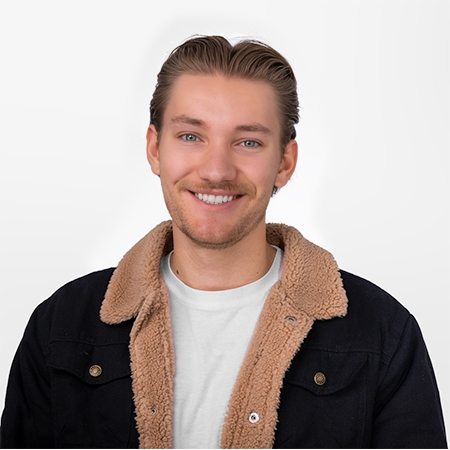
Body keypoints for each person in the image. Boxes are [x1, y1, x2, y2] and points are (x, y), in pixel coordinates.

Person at [0, 35, 447, 449]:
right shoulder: (62, 325)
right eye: (190, 136)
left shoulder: (382, 333)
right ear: (155, 148)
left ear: (284, 162)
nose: (216, 170)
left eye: (248, 142)